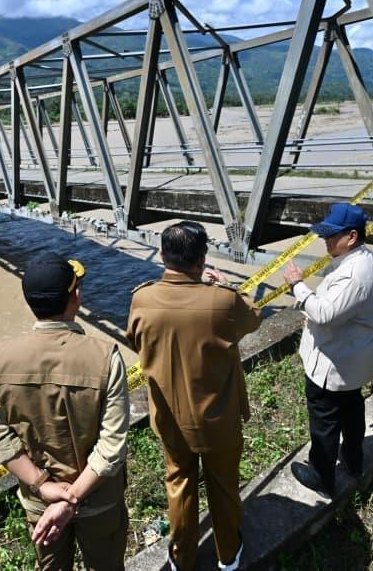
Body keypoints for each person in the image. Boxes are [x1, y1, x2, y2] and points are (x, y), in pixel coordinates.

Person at [0, 253, 129, 570]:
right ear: (76, 297)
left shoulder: (0, 360)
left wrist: (44, 486)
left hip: (42, 505)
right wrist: (73, 498)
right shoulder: (106, 358)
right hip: (99, 502)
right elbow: (111, 445)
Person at [127, 221, 263, 571]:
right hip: (219, 416)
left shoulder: (142, 298)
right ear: (202, 259)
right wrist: (228, 286)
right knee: (224, 486)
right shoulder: (223, 301)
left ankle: (182, 558)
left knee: (179, 483)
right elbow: (253, 319)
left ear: (161, 254)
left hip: (170, 417)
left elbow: (135, 339)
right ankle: (228, 555)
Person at [282, 203, 373, 498]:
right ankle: (353, 461)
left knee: (324, 420)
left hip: (333, 361)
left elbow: (324, 313)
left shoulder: (354, 273)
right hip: (351, 358)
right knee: (352, 409)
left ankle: (322, 476)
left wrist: (298, 286)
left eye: (331, 235)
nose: (325, 241)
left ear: (351, 236)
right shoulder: (367, 259)